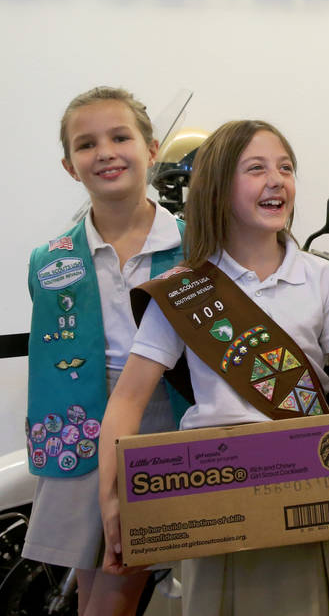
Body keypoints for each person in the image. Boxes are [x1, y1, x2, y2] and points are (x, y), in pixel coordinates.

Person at [97, 119, 329, 616]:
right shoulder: (183, 290)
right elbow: (127, 400)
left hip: (310, 483)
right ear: (218, 187)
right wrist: (112, 501)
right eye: (255, 169)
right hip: (214, 492)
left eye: (285, 167)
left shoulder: (321, 278)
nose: (276, 179)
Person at [22, 86, 186, 616]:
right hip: (81, 418)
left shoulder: (198, 243)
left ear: (152, 148)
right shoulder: (51, 260)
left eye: (121, 137)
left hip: (168, 411)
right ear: (71, 166)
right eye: (87, 144)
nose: (106, 152)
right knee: (92, 581)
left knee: (117, 586)